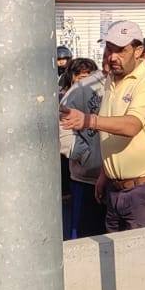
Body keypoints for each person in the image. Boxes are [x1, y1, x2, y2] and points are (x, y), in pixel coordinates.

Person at [59, 21, 145, 232]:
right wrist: (106, 173)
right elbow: (111, 133)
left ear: (138, 51)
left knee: (143, 252)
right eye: (109, 49)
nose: (112, 56)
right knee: (115, 252)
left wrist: (88, 120)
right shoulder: (111, 80)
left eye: (121, 50)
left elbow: (131, 126)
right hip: (115, 191)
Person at [60, 58, 105, 238]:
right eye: (79, 76)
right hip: (84, 178)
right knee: (82, 234)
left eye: (88, 75)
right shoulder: (74, 94)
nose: (83, 79)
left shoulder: (109, 88)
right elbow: (62, 126)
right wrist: (84, 154)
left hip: (110, 178)